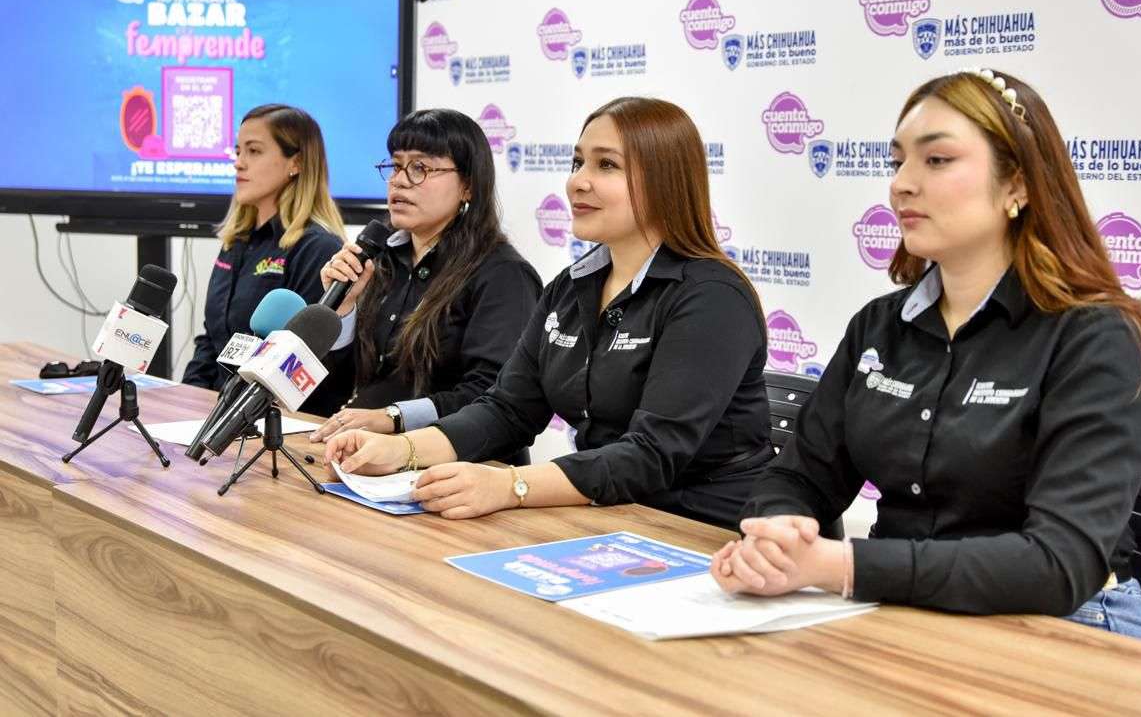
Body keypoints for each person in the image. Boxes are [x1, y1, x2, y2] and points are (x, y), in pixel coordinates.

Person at [714, 68, 1141, 643]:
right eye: (897, 161)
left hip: (1063, 626)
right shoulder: (880, 326)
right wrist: (776, 536)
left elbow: (1057, 564)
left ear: (1018, 184)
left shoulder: (1096, 339)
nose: (901, 184)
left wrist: (840, 567)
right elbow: (799, 475)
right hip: (901, 610)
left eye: (937, 160)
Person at [324, 97, 774, 530]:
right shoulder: (572, 285)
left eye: (606, 165)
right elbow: (507, 409)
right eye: (578, 163)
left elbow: (651, 455)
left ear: (664, 182)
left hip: (702, 527)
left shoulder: (712, 297)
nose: (578, 182)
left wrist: (510, 485)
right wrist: (402, 450)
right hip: (606, 511)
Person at [307, 109, 542, 457]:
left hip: (464, 466)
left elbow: (492, 396)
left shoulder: (503, 275)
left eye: (420, 168)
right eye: (396, 166)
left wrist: (394, 417)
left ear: (468, 186)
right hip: (370, 456)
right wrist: (343, 310)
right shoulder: (382, 259)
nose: (399, 181)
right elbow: (350, 383)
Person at [183, 104, 345, 390]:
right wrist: (186, 396)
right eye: (238, 151)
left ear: (296, 163)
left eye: (254, 151)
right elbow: (211, 340)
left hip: (270, 410)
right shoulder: (236, 241)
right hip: (216, 406)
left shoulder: (318, 248)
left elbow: (301, 364)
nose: (239, 163)